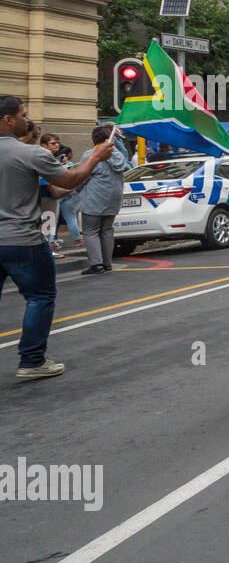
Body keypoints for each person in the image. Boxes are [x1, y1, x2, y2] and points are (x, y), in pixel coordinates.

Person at [0, 96, 113, 379]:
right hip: (21, 239)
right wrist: (96, 158)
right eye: (23, 115)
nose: (27, 120)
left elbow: (52, 190)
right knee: (40, 295)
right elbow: (68, 180)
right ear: (8, 120)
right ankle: (32, 361)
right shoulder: (29, 153)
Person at [74, 125, 129, 275]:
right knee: (107, 230)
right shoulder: (118, 155)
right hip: (113, 199)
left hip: (94, 198)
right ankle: (107, 263)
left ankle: (96, 264)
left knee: (90, 231)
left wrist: (74, 188)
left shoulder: (90, 155)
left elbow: (82, 176)